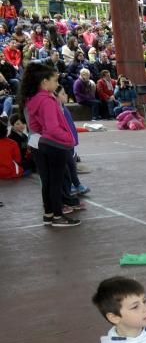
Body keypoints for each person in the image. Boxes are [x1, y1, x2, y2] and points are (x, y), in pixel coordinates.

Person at [20, 62, 79, 227]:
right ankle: (58, 214)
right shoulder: (46, 100)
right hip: (51, 143)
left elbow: (34, 127)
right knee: (56, 180)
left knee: (47, 180)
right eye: (55, 80)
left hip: (38, 141)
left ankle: (50, 213)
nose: (57, 84)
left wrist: (39, 143)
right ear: (44, 81)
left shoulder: (30, 99)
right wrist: (68, 139)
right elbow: (52, 128)